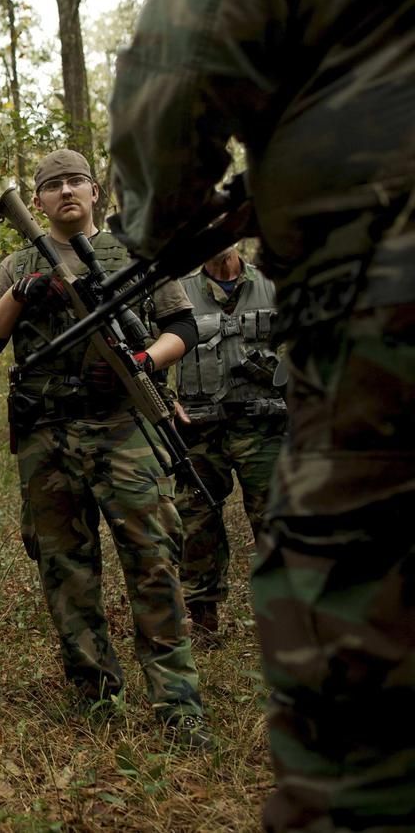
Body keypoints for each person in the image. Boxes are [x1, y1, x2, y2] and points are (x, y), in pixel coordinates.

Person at [108, 0, 415, 827]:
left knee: (358, 656)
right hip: (231, 413)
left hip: (380, 311)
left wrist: (163, 213)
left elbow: (173, 95)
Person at [0, 149, 211, 747]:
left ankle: (178, 705)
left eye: (75, 181)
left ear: (96, 190)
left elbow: (182, 328)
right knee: (66, 570)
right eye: (51, 186)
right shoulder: (16, 263)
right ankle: (93, 696)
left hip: (123, 426)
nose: (65, 193)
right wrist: (25, 292)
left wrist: (141, 360)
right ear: (39, 200)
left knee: (153, 560)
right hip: (46, 435)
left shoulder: (137, 254)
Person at [172, 246, 284, 646]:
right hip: (199, 432)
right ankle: (203, 622)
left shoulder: (273, 285)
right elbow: (147, 351)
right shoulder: (176, 292)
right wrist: (164, 399)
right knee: (196, 521)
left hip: (265, 428)